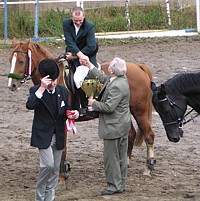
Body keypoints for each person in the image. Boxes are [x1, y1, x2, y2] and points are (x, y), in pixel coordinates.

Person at [26, 59, 79, 201]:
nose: (53, 83)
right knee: (47, 165)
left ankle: (49, 197)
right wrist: (41, 88)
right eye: (50, 81)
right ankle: (39, 194)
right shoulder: (36, 91)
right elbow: (30, 105)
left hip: (58, 135)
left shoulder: (62, 90)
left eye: (54, 80)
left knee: (55, 169)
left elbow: (66, 109)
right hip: (43, 135)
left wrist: (74, 113)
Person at [81, 57, 131, 195]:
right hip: (122, 125)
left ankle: (113, 186)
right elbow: (103, 78)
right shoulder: (121, 79)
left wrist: (93, 103)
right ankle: (120, 184)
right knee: (121, 156)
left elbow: (109, 107)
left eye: (110, 66)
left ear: (113, 71)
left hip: (113, 127)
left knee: (111, 158)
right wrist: (90, 65)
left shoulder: (116, 86)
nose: (108, 67)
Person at [62, 6, 98, 114]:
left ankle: (84, 105)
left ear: (84, 17)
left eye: (80, 20)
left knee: (78, 78)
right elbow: (69, 42)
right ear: (71, 18)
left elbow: (91, 46)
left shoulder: (89, 26)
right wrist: (77, 55)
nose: (78, 23)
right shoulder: (66, 23)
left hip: (87, 57)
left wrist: (76, 56)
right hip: (71, 54)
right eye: (75, 21)